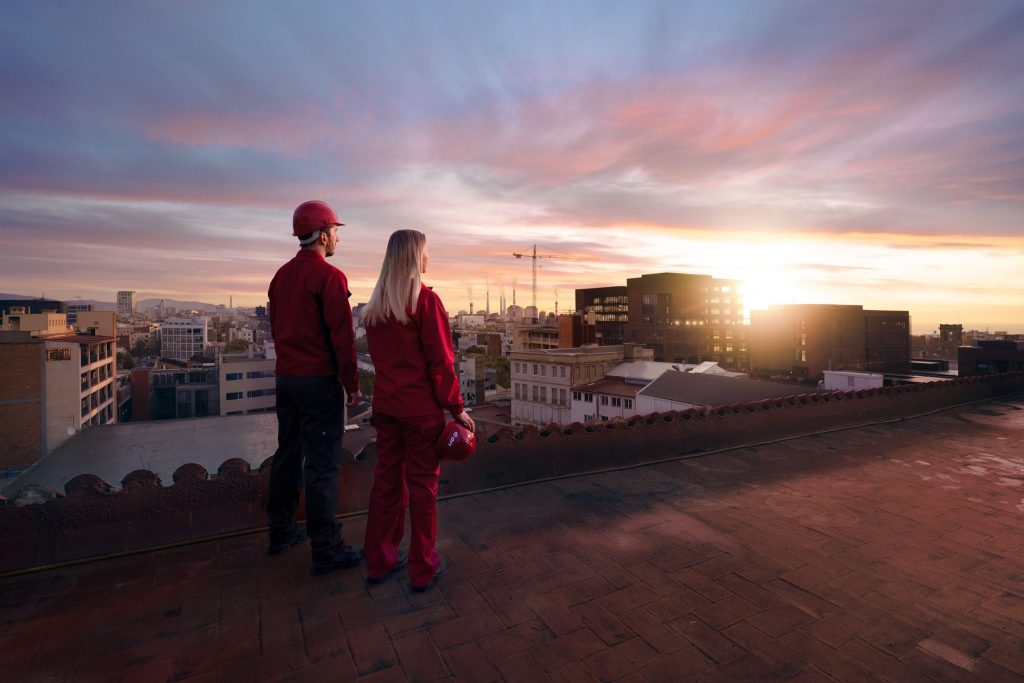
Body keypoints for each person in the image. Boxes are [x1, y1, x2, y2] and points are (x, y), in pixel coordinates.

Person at [362, 229, 474, 592]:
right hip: (420, 411)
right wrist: (456, 408)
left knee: (386, 484)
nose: (428, 258)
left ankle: (379, 562)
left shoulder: (374, 310)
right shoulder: (425, 302)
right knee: (423, 487)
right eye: (425, 252)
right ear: (413, 258)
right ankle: (422, 567)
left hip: (386, 407)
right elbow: (441, 362)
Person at [266, 200, 363, 575]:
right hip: (318, 383)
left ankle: (281, 532)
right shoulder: (329, 277)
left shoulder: (281, 276)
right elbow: (343, 338)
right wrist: (351, 384)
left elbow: (276, 329)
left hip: (287, 380)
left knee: (288, 455)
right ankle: (326, 547)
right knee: (322, 464)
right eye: (335, 231)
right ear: (322, 235)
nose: (337, 238)